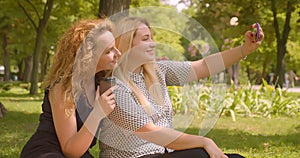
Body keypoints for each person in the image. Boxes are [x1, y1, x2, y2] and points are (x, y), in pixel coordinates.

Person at [98, 17, 263, 158]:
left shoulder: (158, 71)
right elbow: (150, 131)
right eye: (145, 38)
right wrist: (204, 141)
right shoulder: (113, 85)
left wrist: (245, 49)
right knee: (201, 154)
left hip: (162, 153)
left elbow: (204, 66)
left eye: (152, 37)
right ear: (127, 44)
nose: (153, 43)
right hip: (134, 156)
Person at [20, 18, 121, 158]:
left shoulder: (100, 82)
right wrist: (98, 113)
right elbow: (70, 150)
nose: (118, 53)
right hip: (47, 152)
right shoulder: (63, 88)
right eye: (109, 51)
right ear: (89, 56)